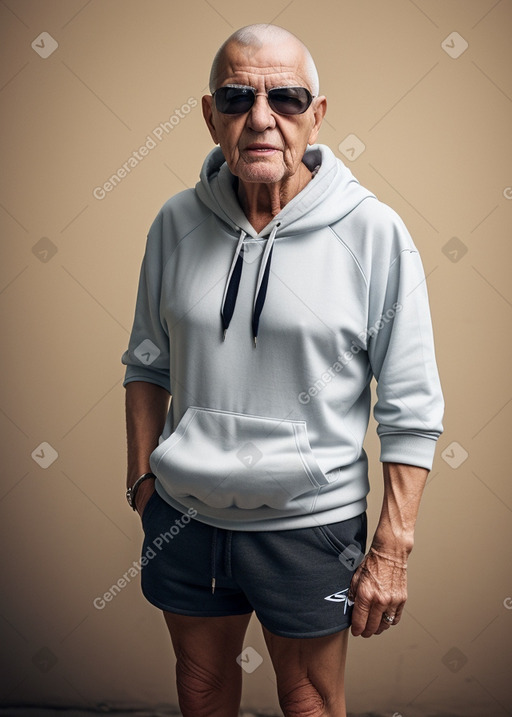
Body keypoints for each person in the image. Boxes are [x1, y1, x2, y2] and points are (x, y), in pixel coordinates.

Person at [122, 23, 444, 717]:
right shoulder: (175, 223)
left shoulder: (372, 233)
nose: (261, 118)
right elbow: (147, 361)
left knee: (308, 701)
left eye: (287, 98)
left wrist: (393, 546)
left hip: (310, 524)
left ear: (317, 114)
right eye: (237, 98)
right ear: (211, 116)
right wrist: (143, 479)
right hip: (184, 519)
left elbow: (412, 405)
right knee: (202, 690)